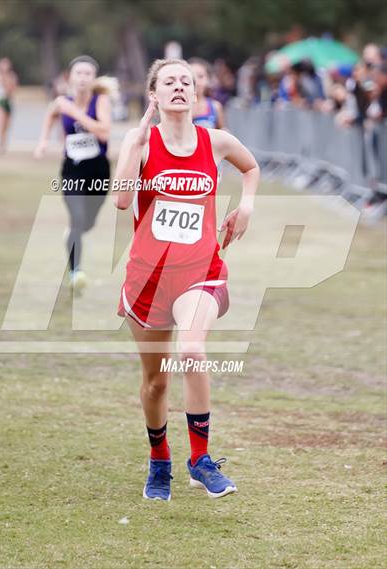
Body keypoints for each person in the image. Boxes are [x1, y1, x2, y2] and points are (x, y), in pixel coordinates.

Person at [113, 59, 260, 501]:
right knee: (156, 382)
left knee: (192, 350)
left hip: (201, 271)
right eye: (169, 82)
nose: (179, 87)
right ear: (154, 96)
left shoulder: (216, 142)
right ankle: (160, 459)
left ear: (196, 96)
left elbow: (250, 168)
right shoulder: (141, 142)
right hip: (150, 278)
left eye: (187, 82)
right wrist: (132, 146)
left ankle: (200, 459)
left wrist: (247, 206)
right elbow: (122, 201)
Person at [34, 55, 111, 293]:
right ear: (71, 77)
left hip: (98, 170)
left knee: (87, 223)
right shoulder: (62, 102)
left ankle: (75, 235)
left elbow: (104, 133)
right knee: (76, 219)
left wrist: (75, 113)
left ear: (93, 78)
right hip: (72, 170)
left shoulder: (100, 101)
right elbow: (51, 115)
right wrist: (44, 141)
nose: (83, 78)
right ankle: (76, 270)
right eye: (79, 73)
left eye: (88, 73)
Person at [189, 58, 224, 128]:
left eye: (200, 76)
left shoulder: (215, 107)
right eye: (191, 76)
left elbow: (222, 132)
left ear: (208, 80)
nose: (195, 81)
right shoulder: (178, 106)